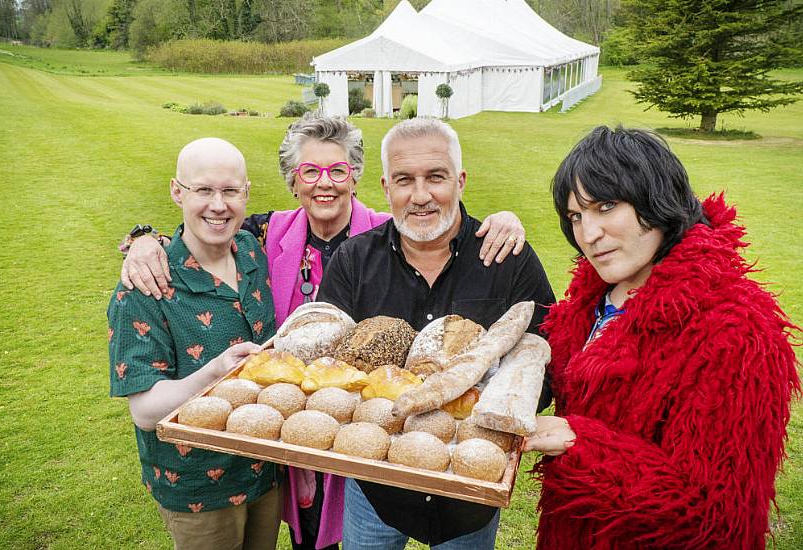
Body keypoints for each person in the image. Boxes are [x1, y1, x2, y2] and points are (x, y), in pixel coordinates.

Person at [119, 114, 529, 550]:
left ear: (356, 177)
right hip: (293, 425)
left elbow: (442, 221)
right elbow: (207, 221)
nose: (324, 183)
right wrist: (145, 239)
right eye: (309, 171)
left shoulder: (390, 233)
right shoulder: (263, 234)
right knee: (308, 534)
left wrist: (503, 219)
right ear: (293, 182)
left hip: (366, 429)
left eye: (337, 170)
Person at [527, 126, 800, 549]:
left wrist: (579, 442)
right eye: (576, 216)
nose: (588, 234)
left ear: (657, 198)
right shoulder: (592, 298)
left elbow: (715, 514)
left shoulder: (738, 333)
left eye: (606, 206)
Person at [317, 117, 556, 550]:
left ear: (460, 181)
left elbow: (546, 363)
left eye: (436, 177)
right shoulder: (353, 261)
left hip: (468, 495)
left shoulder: (507, 258)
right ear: (386, 186)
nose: (421, 196)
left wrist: (490, 404)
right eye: (405, 180)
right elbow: (325, 367)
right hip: (375, 488)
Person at [108, 138, 281, 550]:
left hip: (266, 470)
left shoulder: (253, 248)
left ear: (247, 193)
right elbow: (146, 412)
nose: (218, 205)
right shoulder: (145, 287)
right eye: (203, 190)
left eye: (230, 191)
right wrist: (216, 371)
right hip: (198, 488)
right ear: (177, 191)